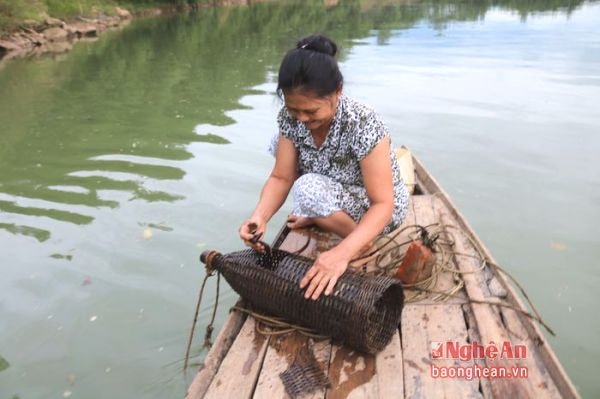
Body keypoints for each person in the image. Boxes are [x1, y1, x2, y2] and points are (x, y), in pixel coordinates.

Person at [239, 34, 409, 301]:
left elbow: (383, 204)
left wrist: (342, 253)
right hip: (333, 185)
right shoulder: (289, 118)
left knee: (307, 189)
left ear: (338, 91)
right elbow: (282, 176)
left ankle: (362, 244)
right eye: (295, 110)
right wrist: (259, 217)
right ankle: (323, 213)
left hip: (379, 207)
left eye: (311, 111)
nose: (302, 119)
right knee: (279, 145)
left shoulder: (362, 122)